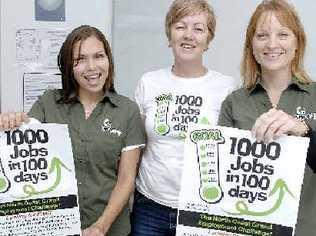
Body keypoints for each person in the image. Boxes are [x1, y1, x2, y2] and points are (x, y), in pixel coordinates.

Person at [0, 25, 145, 236]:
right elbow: (21, 147)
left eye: (98, 56)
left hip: (110, 229)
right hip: (55, 227)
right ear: (69, 67)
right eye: (80, 60)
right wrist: (10, 122)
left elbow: (126, 179)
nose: (92, 67)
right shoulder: (48, 102)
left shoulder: (127, 110)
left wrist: (100, 227)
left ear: (108, 60)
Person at [131, 0, 237, 235]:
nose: (189, 35)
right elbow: (137, 147)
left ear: (208, 40)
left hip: (202, 209)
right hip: (150, 206)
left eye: (198, 29)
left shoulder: (226, 87)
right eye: (180, 26)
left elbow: (230, 154)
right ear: (169, 34)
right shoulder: (149, 82)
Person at [218, 0, 316, 235]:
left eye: (282, 34)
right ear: (251, 45)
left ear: (297, 43)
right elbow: (223, 176)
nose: (272, 44)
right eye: (262, 35)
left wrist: (302, 130)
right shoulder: (234, 102)